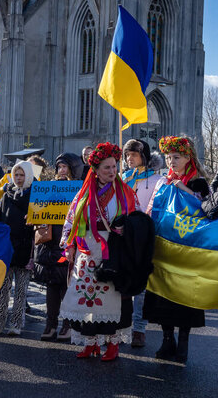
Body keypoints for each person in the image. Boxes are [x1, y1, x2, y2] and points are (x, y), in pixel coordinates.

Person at [59, 142, 138, 361]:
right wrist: (70, 246)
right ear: (95, 170)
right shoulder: (84, 195)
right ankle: (90, 342)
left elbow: (139, 219)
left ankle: (112, 344)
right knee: (86, 298)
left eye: (114, 167)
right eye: (107, 168)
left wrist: (127, 228)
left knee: (112, 299)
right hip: (88, 250)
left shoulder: (126, 193)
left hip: (113, 251)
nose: (112, 171)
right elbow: (72, 220)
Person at [142, 136, 209, 363]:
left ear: (188, 157)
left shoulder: (198, 181)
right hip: (164, 247)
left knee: (184, 298)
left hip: (188, 250)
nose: (171, 162)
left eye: (176, 157)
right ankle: (167, 338)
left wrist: (184, 189)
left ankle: (183, 342)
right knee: (163, 295)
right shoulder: (163, 182)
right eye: (169, 158)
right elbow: (153, 209)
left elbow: (206, 209)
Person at [0, 161, 35, 336]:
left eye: (22, 175)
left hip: (26, 248)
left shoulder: (36, 194)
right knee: (1, 288)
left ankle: (16, 324)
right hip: (7, 247)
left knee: (21, 291)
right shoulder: (6, 194)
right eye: (16, 175)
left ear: (29, 176)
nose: (18, 178)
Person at [36, 153, 83, 342]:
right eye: (59, 167)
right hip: (50, 242)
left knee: (67, 285)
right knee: (51, 285)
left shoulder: (81, 189)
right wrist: (34, 216)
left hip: (68, 242)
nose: (62, 171)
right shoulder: (49, 188)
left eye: (65, 167)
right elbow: (39, 210)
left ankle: (68, 323)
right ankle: (51, 322)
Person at [121, 139, 163, 348]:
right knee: (123, 283)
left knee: (141, 286)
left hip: (144, 235)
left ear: (144, 157)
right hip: (122, 236)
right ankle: (121, 326)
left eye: (134, 155)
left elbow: (155, 207)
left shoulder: (156, 180)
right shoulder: (122, 178)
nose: (130, 159)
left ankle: (139, 328)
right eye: (127, 155)